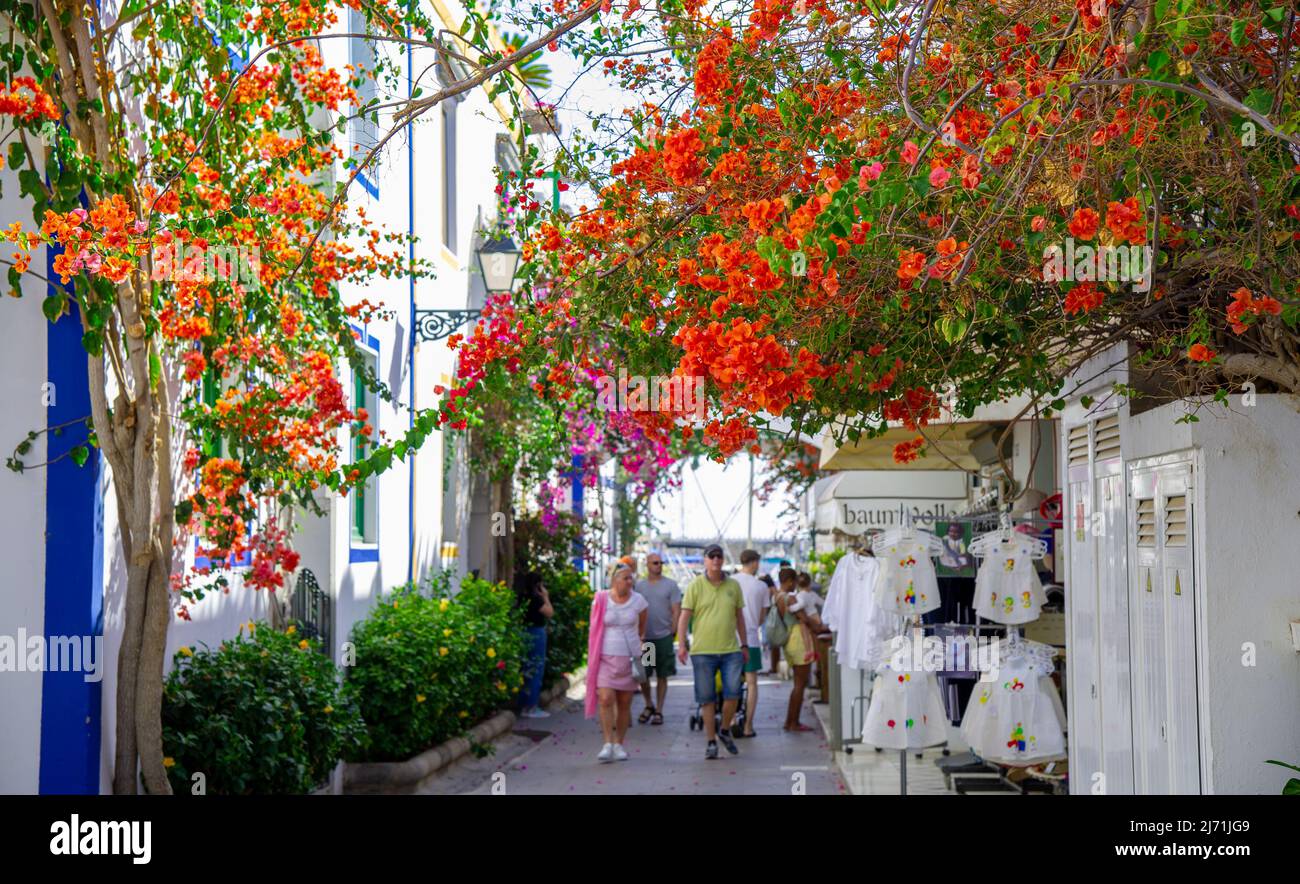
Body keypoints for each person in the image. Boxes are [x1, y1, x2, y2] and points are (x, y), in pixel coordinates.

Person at [677, 543, 747, 759]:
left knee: (734, 693)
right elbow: (683, 617)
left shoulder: (733, 586)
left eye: (719, 556)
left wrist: (744, 644)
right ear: (705, 560)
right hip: (701, 651)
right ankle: (710, 741)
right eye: (712, 556)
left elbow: (740, 618)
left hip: (730, 650)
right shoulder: (695, 586)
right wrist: (682, 644)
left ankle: (724, 730)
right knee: (706, 698)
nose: (716, 560)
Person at [585, 565, 649, 762]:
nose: (630, 582)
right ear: (614, 580)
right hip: (604, 656)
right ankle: (607, 743)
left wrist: (643, 654)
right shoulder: (601, 598)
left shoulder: (639, 601)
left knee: (624, 703)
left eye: (631, 578)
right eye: (625, 578)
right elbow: (593, 627)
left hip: (630, 658)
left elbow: (642, 630)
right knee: (605, 698)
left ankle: (619, 744)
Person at [634, 552, 681, 726]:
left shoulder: (671, 585)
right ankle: (648, 704)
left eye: (660, 562)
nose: (658, 565)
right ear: (647, 565)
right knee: (642, 675)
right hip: (645, 638)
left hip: (663, 637)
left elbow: (677, 609)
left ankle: (659, 710)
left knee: (663, 674)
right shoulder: (639, 587)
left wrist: (674, 630)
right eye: (655, 563)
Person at [733, 549, 770, 737]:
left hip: (731, 640)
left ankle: (729, 720)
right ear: (754, 562)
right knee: (752, 683)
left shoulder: (731, 582)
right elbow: (762, 617)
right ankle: (748, 725)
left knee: (730, 681)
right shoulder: (761, 586)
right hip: (751, 639)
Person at [776, 568, 816, 732]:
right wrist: (819, 626)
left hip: (788, 642)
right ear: (790, 581)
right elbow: (804, 618)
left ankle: (789, 721)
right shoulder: (790, 598)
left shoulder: (777, 596)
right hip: (798, 640)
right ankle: (794, 722)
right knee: (800, 684)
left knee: (797, 684)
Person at [514, 569, 555, 719]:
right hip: (536, 633)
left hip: (523, 632)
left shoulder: (521, 598)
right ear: (538, 585)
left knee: (525, 668)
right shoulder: (536, 599)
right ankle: (531, 707)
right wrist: (546, 596)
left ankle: (522, 703)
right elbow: (550, 612)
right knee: (536, 668)